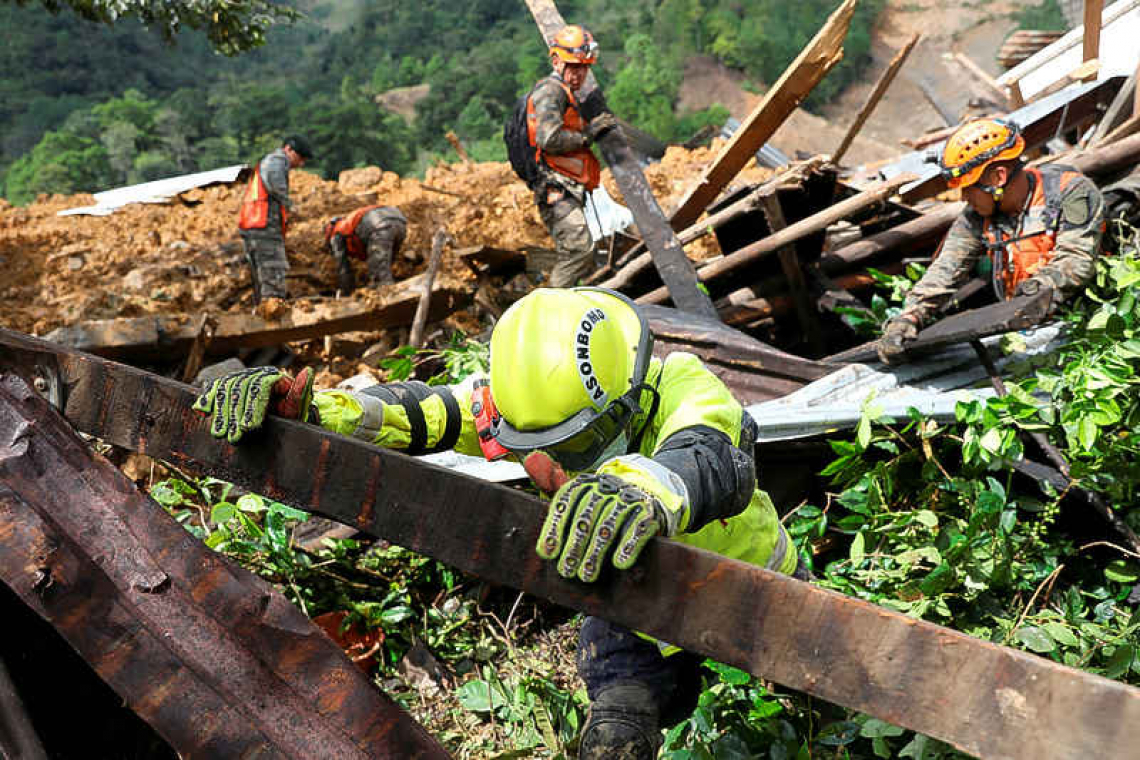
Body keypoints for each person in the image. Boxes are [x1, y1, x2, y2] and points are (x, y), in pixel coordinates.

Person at [192, 286, 803, 759]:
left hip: (753, 592)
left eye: (581, 441)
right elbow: (422, 412)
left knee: (807, 720)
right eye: (548, 447)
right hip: (635, 606)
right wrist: (315, 411)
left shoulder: (685, 386)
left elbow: (708, 455)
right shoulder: (526, 412)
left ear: (628, 394)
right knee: (616, 735)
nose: (561, 463)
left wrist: (638, 490)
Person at [877, 118, 1106, 365]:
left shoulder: (1070, 192)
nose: (964, 197)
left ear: (998, 177)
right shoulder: (976, 217)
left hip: (1087, 324)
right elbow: (945, 270)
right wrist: (909, 317)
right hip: (1022, 329)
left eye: (968, 187)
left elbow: (1076, 262)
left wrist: (1034, 290)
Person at [526, 25, 619, 287]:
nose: (579, 74)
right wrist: (588, 135)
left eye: (584, 68)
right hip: (554, 188)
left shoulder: (567, 93)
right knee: (579, 250)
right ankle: (553, 311)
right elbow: (549, 138)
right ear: (556, 61)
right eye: (574, 67)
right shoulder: (550, 91)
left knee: (582, 254)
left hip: (567, 186)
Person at [237, 134, 313, 303]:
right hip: (263, 225)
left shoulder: (272, 162)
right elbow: (277, 188)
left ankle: (264, 311)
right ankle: (274, 314)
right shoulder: (276, 161)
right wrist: (291, 207)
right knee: (273, 271)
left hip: (256, 224)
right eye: (299, 158)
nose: (301, 164)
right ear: (288, 149)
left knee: (262, 275)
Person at [323, 205, 408, 293]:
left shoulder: (335, 235)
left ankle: (389, 298)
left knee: (379, 281)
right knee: (384, 265)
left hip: (380, 226)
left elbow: (343, 269)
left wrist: (347, 292)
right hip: (399, 221)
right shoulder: (348, 223)